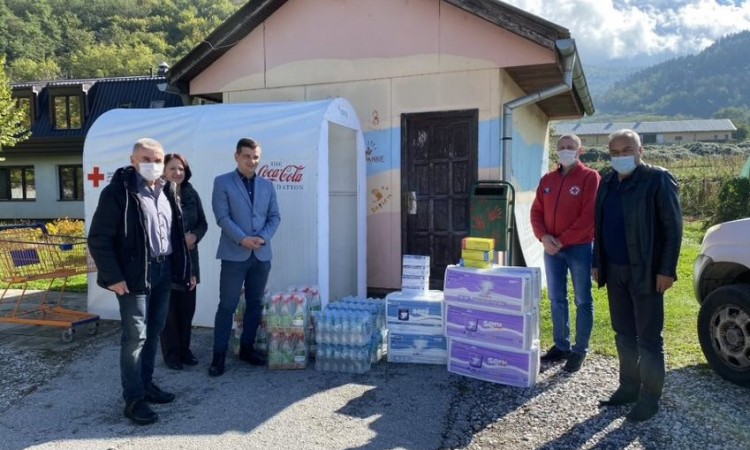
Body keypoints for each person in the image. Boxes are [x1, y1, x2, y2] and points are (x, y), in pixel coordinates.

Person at [88, 138, 193, 425]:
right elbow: (98, 238)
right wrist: (114, 277)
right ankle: (133, 399)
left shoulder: (167, 190)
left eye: (158, 159)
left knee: (154, 330)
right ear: (133, 161)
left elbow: (175, 236)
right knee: (134, 337)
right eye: (146, 159)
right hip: (133, 277)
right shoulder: (118, 193)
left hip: (162, 272)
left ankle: (146, 385)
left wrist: (184, 269)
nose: (153, 165)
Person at [593, 129, 682, 422]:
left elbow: (673, 229)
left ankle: (650, 397)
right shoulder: (605, 181)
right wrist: (598, 263)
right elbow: (599, 226)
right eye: (615, 151)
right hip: (615, 270)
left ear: (640, 150)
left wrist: (666, 270)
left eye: (627, 149)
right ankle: (628, 387)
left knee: (648, 339)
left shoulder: (657, 179)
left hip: (646, 272)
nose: (621, 156)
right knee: (623, 334)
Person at [208, 137, 281, 376]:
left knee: (255, 304)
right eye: (247, 156)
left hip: (261, 254)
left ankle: (246, 349)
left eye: (256, 157)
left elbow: (274, 217)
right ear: (237, 156)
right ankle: (218, 356)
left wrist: (262, 237)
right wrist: (242, 239)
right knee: (227, 305)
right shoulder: (222, 182)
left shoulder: (268, 186)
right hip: (234, 254)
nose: (252, 161)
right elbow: (222, 217)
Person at [531, 133, 601, 373]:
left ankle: (580, 350)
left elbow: (589, 216)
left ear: (579, 151)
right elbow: (536, 212)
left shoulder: (590, 177)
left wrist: (562, 240)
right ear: (556, 150)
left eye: (571, 147)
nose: (565, 150)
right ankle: (561, 345)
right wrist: (543, 237)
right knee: (556, 298)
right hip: (552, 250)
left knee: (583, 300)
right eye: (561, 147)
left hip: (579, 248)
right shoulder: (547, 180)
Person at [160, 153, 208, 370]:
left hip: (190, 261)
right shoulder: (157, 194)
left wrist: (195, 236)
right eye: (172, 168)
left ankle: (185, 350)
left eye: (181, 169)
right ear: (163, 171)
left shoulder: (191, 192)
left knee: (187, 309)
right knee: (169, 312)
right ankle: (172, 355)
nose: (177, 173)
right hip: (167, 262)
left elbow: (203, 223)